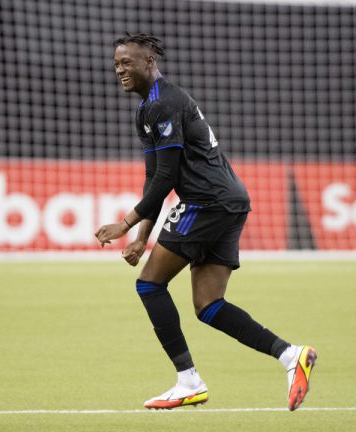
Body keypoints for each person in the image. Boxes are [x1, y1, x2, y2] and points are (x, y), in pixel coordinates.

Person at [95, 33, 316, 411]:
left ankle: (188, 381)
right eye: (116, 64)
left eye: (127, 62)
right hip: (227, 201)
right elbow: (155, 178)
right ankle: (291, 355)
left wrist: (127, 223)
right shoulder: (147, 108)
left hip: (207, 202)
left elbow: (166, 179)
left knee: (150, 286)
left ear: (148, 61)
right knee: (209, 304)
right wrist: (143, 238)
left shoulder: (164, 103)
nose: (120, 70)